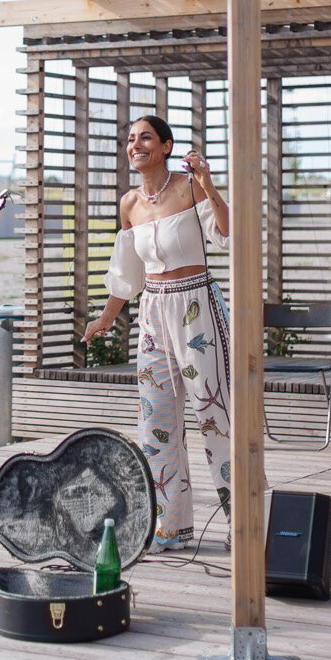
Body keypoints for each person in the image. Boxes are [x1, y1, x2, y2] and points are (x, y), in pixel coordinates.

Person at [81, 115, 233, 550]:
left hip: (196, 306)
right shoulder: (129, 203)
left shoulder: (189, 187)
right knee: (156, 424)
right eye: (130, 139)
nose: (136, 144)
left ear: (166, 146)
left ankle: (242, 524)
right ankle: (171, 526)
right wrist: (107, 317)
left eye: (145, 137)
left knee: (215, 417)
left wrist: (207, 183)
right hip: (152, 314)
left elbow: (228, 232)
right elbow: (127, 271)